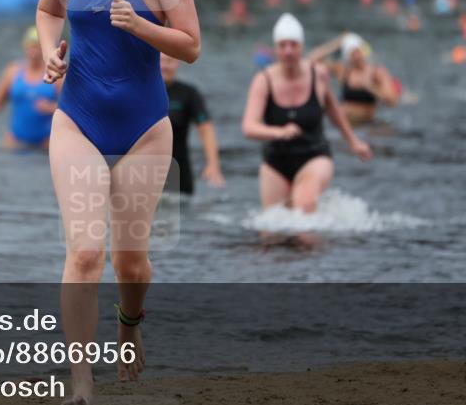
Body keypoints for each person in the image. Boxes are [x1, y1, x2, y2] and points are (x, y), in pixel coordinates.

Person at [35, 0, 200, 405]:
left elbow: (191, 46)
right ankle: (81, 382)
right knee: (84, 252)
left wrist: (142, 27)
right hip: (76, 121)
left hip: (145, 129)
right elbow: (47, 10)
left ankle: (129, 329)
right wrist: (53, 51)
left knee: (130, 262)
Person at [241, 14, 371, 246]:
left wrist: (353, 141)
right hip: (275, 161)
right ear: (276, 49)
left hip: (314, 155)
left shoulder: (317, 73)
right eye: (283, 45)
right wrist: (278, 132)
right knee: (273, 232)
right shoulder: (263, 80)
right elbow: (249, 127)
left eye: (294, 45)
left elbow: (332, 108)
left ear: (302, 46)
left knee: (304, 207)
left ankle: (310, 275)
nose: (289, 51)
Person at [0, 26, 60, 149]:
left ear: (45, 49)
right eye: (31, 46)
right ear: (25, 47)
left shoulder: (57, 75)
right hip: (15, 142)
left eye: (38, 47)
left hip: (45, 144)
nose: (34, 52)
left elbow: (71, 108)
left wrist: (51, 108)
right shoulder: (13, 72)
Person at [161, 53, 225, 195]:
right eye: (162, 61)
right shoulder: (142, 90)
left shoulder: (188, 93)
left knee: (182, 210)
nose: (165, 66)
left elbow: (206, 129)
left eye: (170, 61)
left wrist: (213, 164)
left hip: (179, 170)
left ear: (178, 62)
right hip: (144, 167)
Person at [307, 32, 401, 126]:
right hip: (342, 121)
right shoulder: (343, 71)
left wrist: (371, 87)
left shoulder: (376, 72)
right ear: (347, 56)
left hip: (366, 124)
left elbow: (392, 101)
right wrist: (337, 43)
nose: (356, 56)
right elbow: (311, 61)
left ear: (363, 51)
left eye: (358, 51)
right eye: (352, 53)